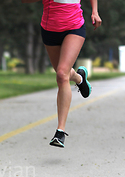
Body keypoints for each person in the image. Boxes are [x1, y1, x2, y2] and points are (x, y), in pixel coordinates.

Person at [22, 0, 102, 148]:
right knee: (62, 72)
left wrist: (95, 11)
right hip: (50, 29)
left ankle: (60, 132)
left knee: (61, 74)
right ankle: (79, 78)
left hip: (74, 27)